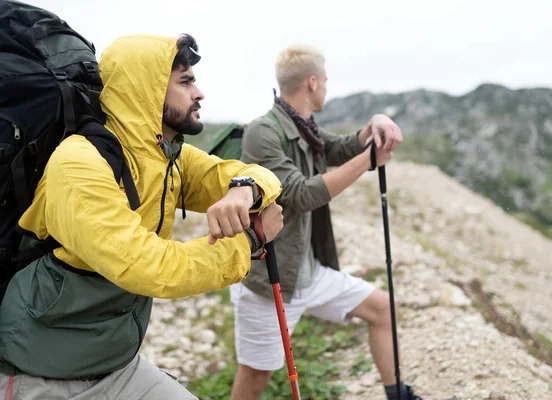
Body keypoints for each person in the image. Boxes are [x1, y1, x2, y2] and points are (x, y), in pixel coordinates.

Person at [0, 33, 283, 399]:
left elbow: (253, 173)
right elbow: (148, 267)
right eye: (185, 81)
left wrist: (246, 189)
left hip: (116, 364)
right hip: (40, 376)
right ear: (144, 91)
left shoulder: (165, 156)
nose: (199, 93)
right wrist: (249, 243)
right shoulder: (79, 164)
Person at [229, 43, 424, 400]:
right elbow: (299, 194)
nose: (327, 88)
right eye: (327, 81)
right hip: (269, 283)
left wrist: (374, 126)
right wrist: (369, 160)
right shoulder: (264, 132)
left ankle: (399, 396)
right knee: (256, 377)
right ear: (313, 82)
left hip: (308, 272)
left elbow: (337, 147)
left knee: (382, 308)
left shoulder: (304, 126)